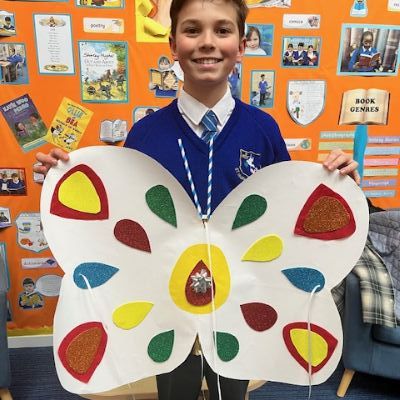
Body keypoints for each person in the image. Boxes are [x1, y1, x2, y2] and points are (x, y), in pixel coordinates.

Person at [35, 0, 359, 398]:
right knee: (176, 388)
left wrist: (337, 185)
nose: (207, 42)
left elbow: (286, 213)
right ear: (173, 45)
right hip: (168, 301)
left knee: (233, 388)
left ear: (241, 45)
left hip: (241, 298)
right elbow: (123, 225)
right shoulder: (146, 135)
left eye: (222, 30)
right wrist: (62, 179)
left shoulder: (262, 130)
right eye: (192, 30)